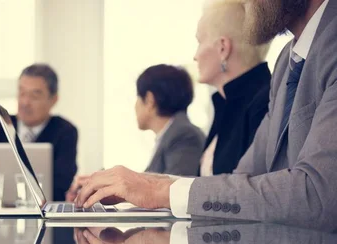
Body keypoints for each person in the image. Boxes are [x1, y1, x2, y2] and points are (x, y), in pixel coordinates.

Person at [74, 0, 337, 231]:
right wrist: (139, 185)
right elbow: (243, 177)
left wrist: (157, 191)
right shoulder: (286, 62)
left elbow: (317, 196)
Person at [65, 65, 204, 202]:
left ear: (150, 100)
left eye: (138, 97)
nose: (135, 105)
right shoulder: (171, 134)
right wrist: (108, 185)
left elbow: (174, 193)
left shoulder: (184, 135)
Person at [0, 64, 78, 202]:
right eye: (22, 93)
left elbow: (61, 185)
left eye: (34, 96)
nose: (25, 102)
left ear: (53, 100)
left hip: (44, 214)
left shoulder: (65, 132)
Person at [196, 0, 272, 176]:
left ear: (223, 47)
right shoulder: (227, 104)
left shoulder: (264, 103)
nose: (195, 56)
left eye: (199, 41)